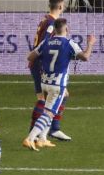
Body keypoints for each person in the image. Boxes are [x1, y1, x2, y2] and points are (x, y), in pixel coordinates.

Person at [23, 18, 95, 151]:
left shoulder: (46, 42)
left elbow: (30, 57)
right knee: (49, 113)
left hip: (44, 82)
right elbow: (85, 57)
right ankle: (30, 138)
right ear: (66, 29)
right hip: (57, 85)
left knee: (48, 109)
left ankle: (42, 139)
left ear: (54, 29)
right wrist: (90, 44)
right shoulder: (69, 43)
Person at [28, 0, 72, 145]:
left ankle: (43, 135)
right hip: (41, 65)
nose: (64, 7)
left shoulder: (45, 20)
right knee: (49, 98)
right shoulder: (52, 23)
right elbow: (44, 43)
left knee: (51, 98)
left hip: (38, 64)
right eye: (63, 5)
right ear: (60, 6)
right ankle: (40, 133)